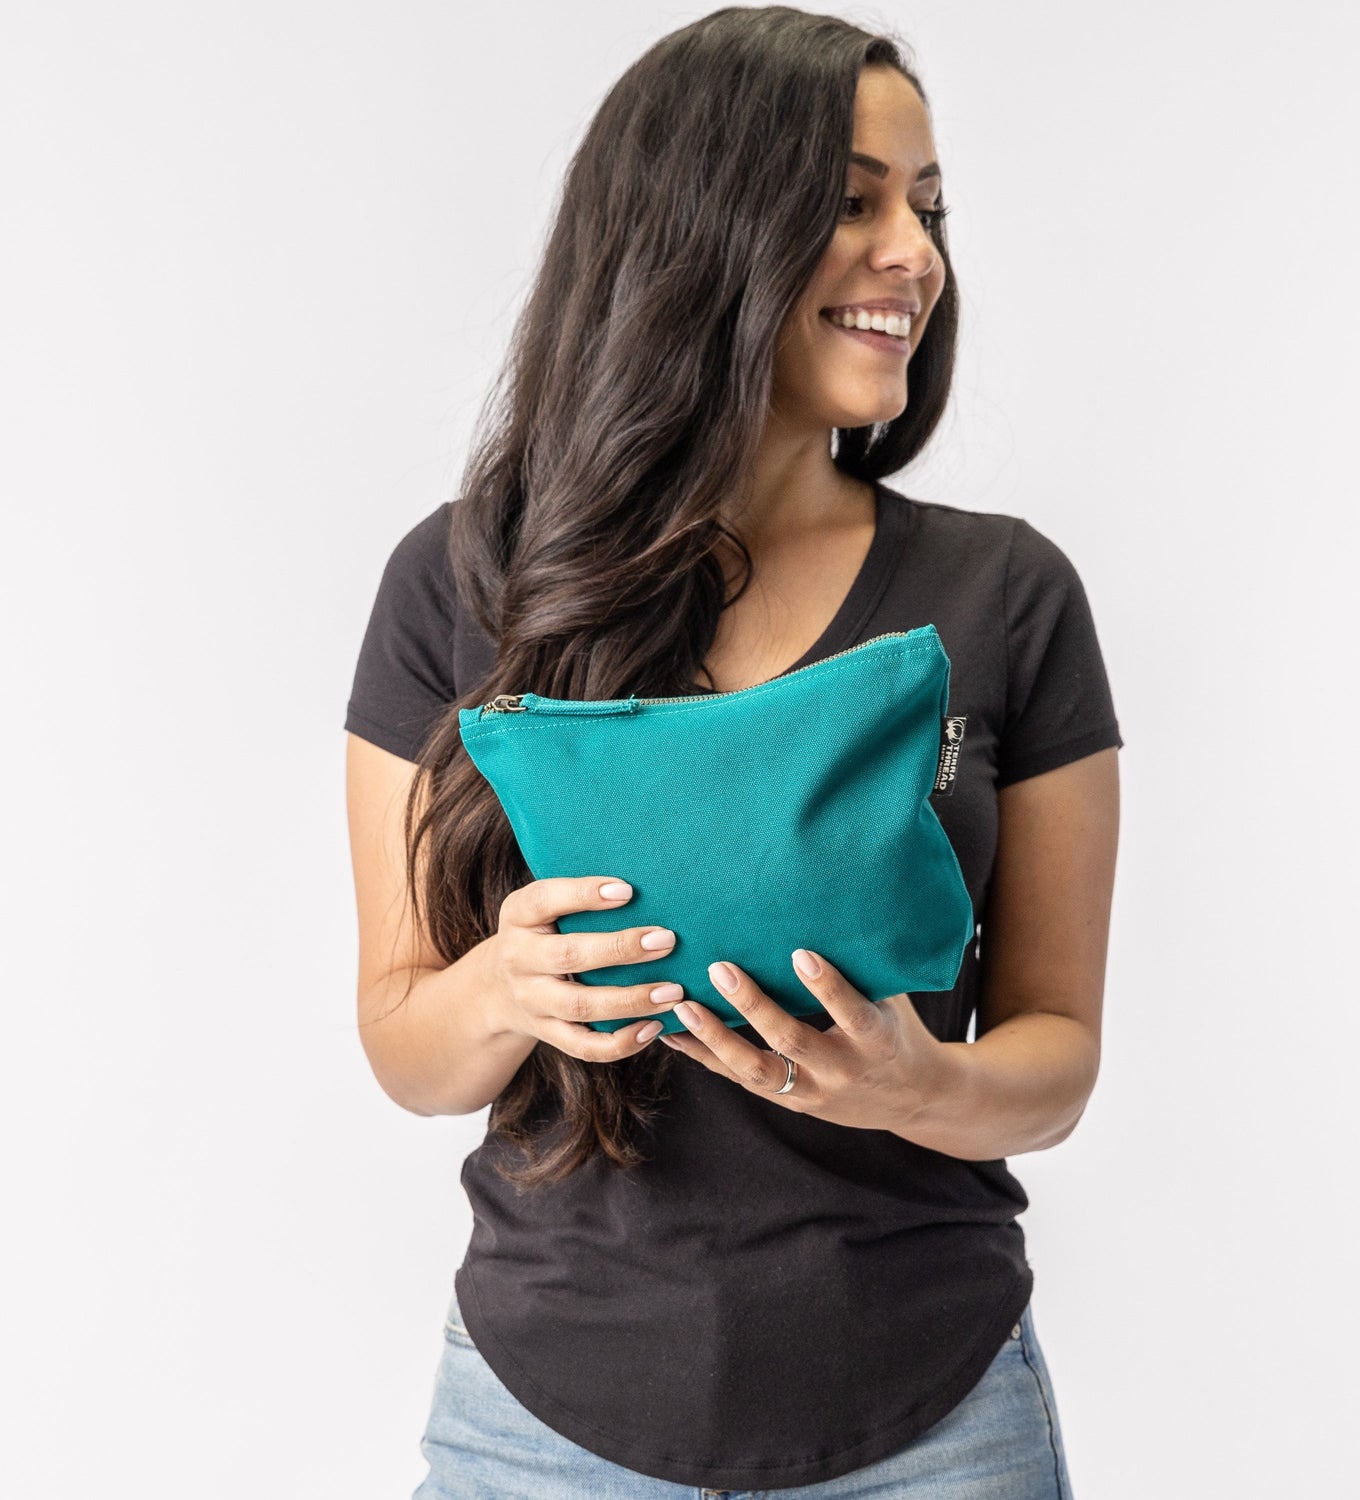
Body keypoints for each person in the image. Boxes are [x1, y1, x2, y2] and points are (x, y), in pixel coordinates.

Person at [344, 7, 1122, 1497]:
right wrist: (507, 989)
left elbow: (1058, 1057)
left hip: (933, 1419)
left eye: (929, 208)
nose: (915, 254)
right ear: (703, 231)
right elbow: (403, 1041)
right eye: (855, 204)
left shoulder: (1009, 594)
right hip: (540, 1423)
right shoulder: (462, 581)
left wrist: (913, 1084)